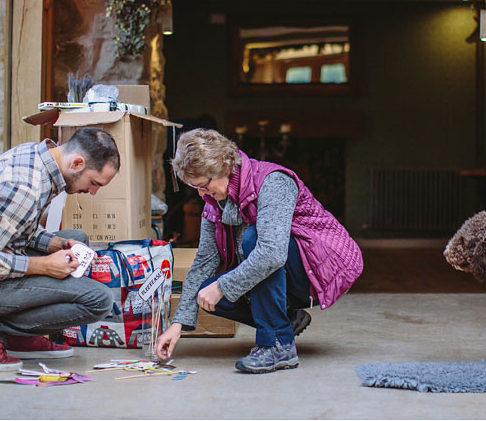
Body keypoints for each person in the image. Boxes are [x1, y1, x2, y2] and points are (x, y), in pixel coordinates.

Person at [155, 128, 363, 373]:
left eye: (203, 185)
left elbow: (272, 253)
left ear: (222, 167)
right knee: (204, 291)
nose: (201, 194)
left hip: (322, 267)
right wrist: (177, 323)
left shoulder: (272, 182)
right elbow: (204, 261)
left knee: (255, 241)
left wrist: (223, 286)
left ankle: (277, 345)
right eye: (194, 187)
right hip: (281, 265)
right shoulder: (213, 201)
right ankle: (286, 320)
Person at [0, 127, 120, 371]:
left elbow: (18, 227)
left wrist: (59, 245)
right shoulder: (23, 188)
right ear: (77, 163)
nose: (93, 192)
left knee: (77, 239)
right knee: (98, 300)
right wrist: (44, 265)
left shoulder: (40, 159)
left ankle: (16, 332)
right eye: (94, 183)